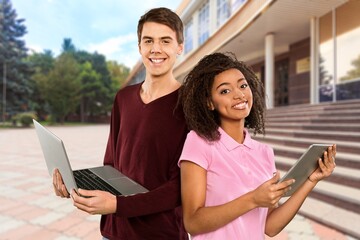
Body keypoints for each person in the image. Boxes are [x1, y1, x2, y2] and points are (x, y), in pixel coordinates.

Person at [53, 7, 189, 239]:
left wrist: (118, 205)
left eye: (165, 41)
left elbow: (183, 187)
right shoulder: (123, 98)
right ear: (139, 48)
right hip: (113, 231)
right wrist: (75, 184)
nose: (156, 49)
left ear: (179, 47)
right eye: (148, 41)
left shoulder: (191, 105)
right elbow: (111, 165)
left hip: (160, 233)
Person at [177, 52, 336, 239]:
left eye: (243, 85)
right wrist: (253, 199)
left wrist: (311, 181)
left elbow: (270, 227)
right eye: (225, 91)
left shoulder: (264, 152)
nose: (239, 94)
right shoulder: (198, 142)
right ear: (210, 103)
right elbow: (193, 222)